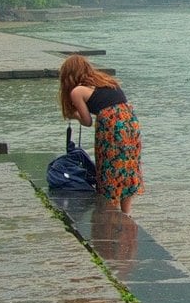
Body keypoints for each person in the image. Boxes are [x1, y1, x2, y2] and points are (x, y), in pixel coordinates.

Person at [59, 54, 142, 210]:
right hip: (130, 123)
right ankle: (126, 213)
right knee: (128, 166)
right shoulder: (106, 81)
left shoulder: (77, 91)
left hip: (111, 127)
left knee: (109, 167)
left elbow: (87, 121)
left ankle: (110, 208)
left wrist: (73, 115)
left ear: (69, 75)